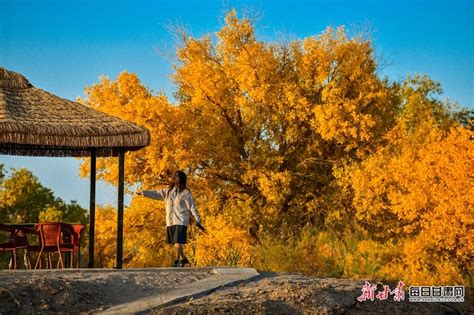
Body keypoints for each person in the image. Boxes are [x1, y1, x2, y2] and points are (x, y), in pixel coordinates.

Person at [136, 170, 205, 267]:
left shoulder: (186, 193)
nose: (174, 176)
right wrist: (143, 193)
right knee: (176, 242)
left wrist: (198, 219)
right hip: (171, 221)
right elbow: (155, 193)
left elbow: (192, 207)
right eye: (174, 175)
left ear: (181, 179)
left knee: (178, 241)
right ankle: (183, 258)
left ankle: (177, 261)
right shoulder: (167, 191)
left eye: (176, 176)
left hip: (181, 220)